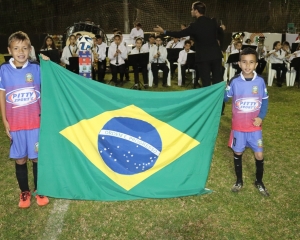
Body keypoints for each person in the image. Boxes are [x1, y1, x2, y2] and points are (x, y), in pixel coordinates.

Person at [0, 31, 50, 208]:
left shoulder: (37, 68)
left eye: (24, 48)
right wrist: (5, 121)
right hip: (16, 124)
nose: (20, 52)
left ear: (30, 49)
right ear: (9, 50)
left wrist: (48, 62)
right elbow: (2, 95)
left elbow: (47, 87)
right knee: (20, 159)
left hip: (35, 123)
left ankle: (39, 189)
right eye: (16, 48)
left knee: (36, 158)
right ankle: (24, 192)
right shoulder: (4, 70)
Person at [224, 47, 269, 197]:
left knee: (259, 155)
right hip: (238, 127)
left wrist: (261, 117)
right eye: (244, 62)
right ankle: (239, 181)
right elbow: (225, 98)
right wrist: (222, 91)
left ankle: (259, 181)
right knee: (238, 152)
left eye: (251, 62)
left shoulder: (260, 81)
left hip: (255, 127)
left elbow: (264, 101)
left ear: (256, 64)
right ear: (239, 63)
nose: (247, 66)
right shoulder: (235, 81)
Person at [154, 1, 223, 87]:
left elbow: (179, 34)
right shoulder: (213, 22)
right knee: (218, 82)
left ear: (196, 11)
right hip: (216, 55)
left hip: (203, 57)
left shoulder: (194, 26)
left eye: (192, 9)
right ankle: (220, 100)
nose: (191, 11)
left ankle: (209, 100)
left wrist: (163, 31)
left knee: (206, 83)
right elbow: (221, 32)